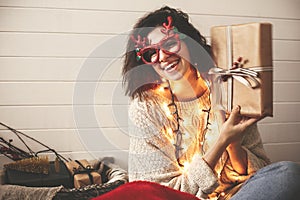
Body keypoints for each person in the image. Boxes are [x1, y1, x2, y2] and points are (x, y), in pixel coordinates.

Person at [122, 6, 300, 200]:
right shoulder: (146, 107)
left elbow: (262, 173)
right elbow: (159, 193)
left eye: (170, 43)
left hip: (236, 196)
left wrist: (233, 145)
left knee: (288, 174)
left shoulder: (226, 87)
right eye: (151, 53)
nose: (163, 57)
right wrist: (221, 140)